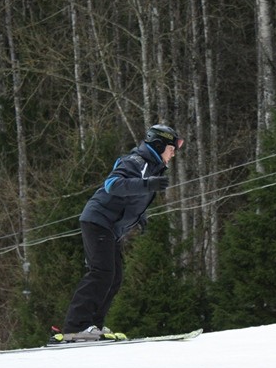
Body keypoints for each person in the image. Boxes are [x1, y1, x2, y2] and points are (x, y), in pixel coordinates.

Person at [53, 124, 184, 343]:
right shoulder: (136, 161)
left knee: (114, 277)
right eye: (172, 148)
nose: (174, 153)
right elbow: (112, 185)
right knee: (101, 272)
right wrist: (147, 184)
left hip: (109, 226)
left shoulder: (151, 166)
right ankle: (75, 327)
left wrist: (139, 216)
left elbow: (131, 196)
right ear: (159, 145)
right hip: (98, 220)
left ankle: (93, 326)